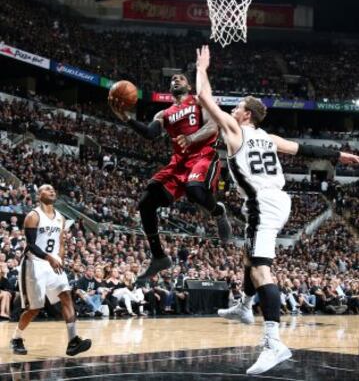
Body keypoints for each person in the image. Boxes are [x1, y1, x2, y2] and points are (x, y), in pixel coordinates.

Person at [196, 45, 359, 375]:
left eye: (238, 106)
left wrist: (202, 68)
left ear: (245, 115)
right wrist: (339, 155)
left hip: (262, 203)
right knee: (251, 255)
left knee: (260, 269)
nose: (234, 108)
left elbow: (203, 98)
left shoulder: (235, 130)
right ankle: (244, 306)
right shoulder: (269, 137)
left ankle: (273, 342)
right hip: (279, 200)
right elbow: (303, 149)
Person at [109, 73, 232, 279]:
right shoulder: (163, 114)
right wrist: (126, 118)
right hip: (179, 163)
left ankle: (218, 211)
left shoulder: (200, 101)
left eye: (181, 78)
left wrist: (191, 137)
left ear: (189, 85)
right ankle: (159, 257)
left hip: (203, 155)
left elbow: (213, 126)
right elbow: (150, 133)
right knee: (146, 203)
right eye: (173, 79)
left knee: (194, 191)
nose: (176, 79)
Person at [10, 185, 91, 356]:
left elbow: (60, 242)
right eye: (47, 189)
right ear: (39, 195)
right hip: (34, 264)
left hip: (54, 263)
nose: (52, 191)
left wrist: (59, 258)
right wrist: (49, 258)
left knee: (66, 296)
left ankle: (73, 340)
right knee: (34, 308)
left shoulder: (60, 217)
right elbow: (31, 246)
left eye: (53, 189)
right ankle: (16, 338)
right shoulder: (33, 216)